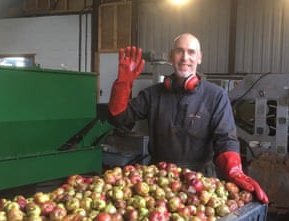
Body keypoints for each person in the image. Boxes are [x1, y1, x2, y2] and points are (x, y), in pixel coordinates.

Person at [108, 33, 268, 204]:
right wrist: (123, 83)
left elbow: (226, 139)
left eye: (191, 52)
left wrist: (234, 171)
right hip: (159, 182)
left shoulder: (215, 96)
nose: (185, 58)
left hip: (201, 183)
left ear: (199, 58)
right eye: (179, 51)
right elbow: (119, 118)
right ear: (171, 57)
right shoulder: (152, 95)